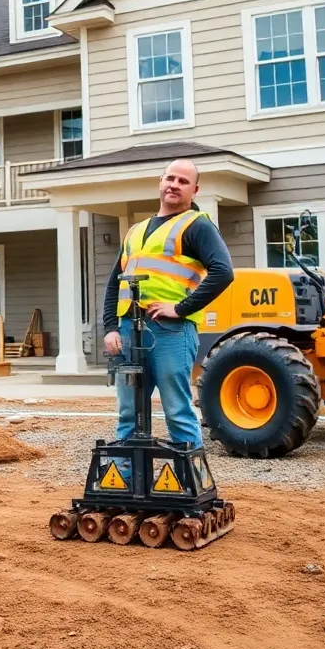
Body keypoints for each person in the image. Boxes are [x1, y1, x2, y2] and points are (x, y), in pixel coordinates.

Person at [102, 158, 234, 447]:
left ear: (194, 190)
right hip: (128, 331)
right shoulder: (135, 231)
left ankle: (189, 473)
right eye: (170, 178)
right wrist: (110, 327)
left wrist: (180, 309)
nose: (174, 185)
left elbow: (223, 272)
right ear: (160, 182)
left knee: (176, 411)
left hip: (171, 333)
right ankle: (128, 473)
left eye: (183, 181)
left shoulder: (197, 225)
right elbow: (114, 283)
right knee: (129, 413)